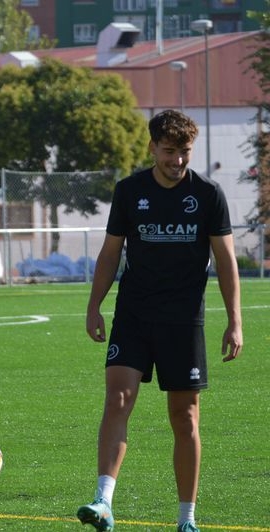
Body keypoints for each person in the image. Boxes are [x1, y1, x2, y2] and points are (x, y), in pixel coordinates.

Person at [77, 110, 243, 532]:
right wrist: (95, 305)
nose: (178, 161)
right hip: (134, 314)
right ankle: (103, 501)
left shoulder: (208, 194)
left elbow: (225, 262)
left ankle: (187, 518)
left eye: (184, 152)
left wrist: (234, 320)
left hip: (183, 321)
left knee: (184, 417)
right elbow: (111, 253)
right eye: (169, 152)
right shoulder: (130, 191)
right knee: (117, 399)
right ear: (152, 147)